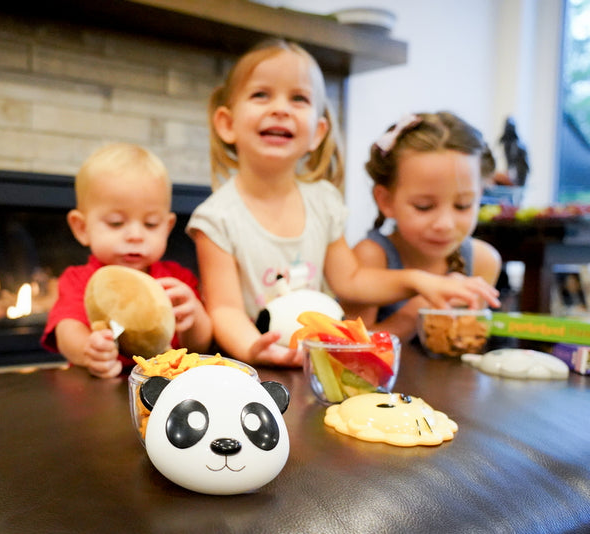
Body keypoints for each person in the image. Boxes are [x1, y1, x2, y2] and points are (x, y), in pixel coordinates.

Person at [186, 39, 500, 367]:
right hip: (256, 363)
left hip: (319, 363)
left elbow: (351, 281)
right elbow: (225, 309)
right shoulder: (216, 218)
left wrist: (417, 280)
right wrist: (253, 348)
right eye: (261, 94)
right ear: (226, 123)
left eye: (299, 98)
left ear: (318, 132)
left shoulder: (324, 201)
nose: (280, 108)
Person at [41, 143, 212, 378]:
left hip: (164, 388)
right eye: (116, 223)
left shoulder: (177, 280)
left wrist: (195, 318)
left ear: (167, 227)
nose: (135, 235)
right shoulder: (79, 279)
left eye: (151, 224)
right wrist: (89, 350)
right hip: (100, 390)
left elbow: (199, 347)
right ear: (82, 228)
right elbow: (66, 331)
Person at [340, 111, 503, 342]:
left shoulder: (483, 260)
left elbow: (468, 343)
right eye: (424, 206)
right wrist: (417, 311)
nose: (444, 225)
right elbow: (350, 348)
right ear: (386, 200)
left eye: (463, 205)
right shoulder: (371, 258)